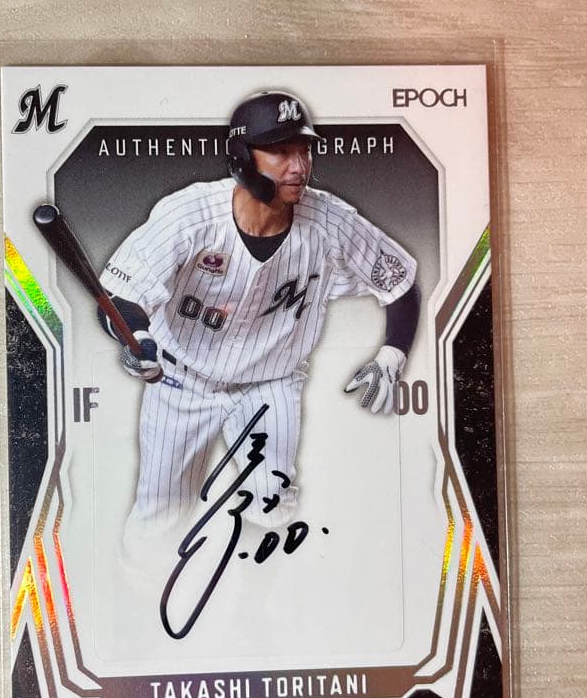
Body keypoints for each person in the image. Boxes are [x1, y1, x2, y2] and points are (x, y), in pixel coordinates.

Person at [98, 90, 420, 539]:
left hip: (271, 385)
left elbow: (399, 280)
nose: (299, 166)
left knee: (271, 503)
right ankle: (139, 583)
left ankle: (254, 578)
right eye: (280, 151)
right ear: (241, 158)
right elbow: (119, 297)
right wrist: (138, 338)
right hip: (181, 381)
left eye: (304, 150)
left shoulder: (329, 221)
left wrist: (393, 353)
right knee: (160, 515)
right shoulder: (190, 215)